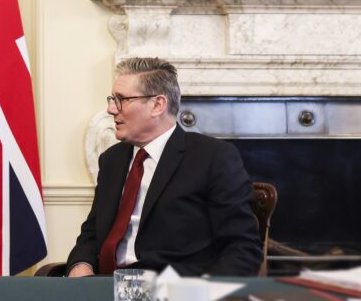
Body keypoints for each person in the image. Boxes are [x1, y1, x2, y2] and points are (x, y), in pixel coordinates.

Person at [66, 58, 261, 277]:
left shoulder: (212, 157)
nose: (111, 109)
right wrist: (80, 265)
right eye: (112, 99)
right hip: (104, 287)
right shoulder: (112, 159)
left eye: (121, 99)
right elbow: (92, 233)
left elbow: (241, 247)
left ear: (158, 105)